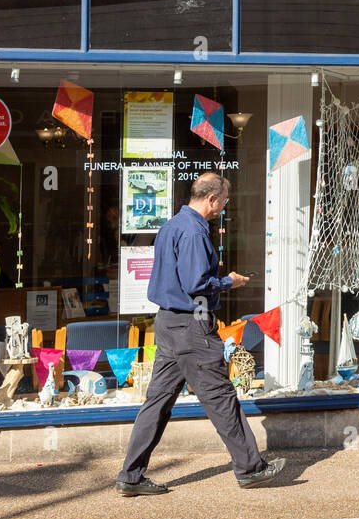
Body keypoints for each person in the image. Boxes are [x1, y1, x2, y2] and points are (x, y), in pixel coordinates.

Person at [116, 171, 286, 494]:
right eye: (223, 201)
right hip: (192, 323)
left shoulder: (170, 226)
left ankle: (130, 475)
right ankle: (250, 468)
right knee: (221, 397)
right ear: (211, 199)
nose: (223, 207)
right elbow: (196, 285)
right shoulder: (194, 232)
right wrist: (228, 282)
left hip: (166, 323)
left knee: (157, 402)